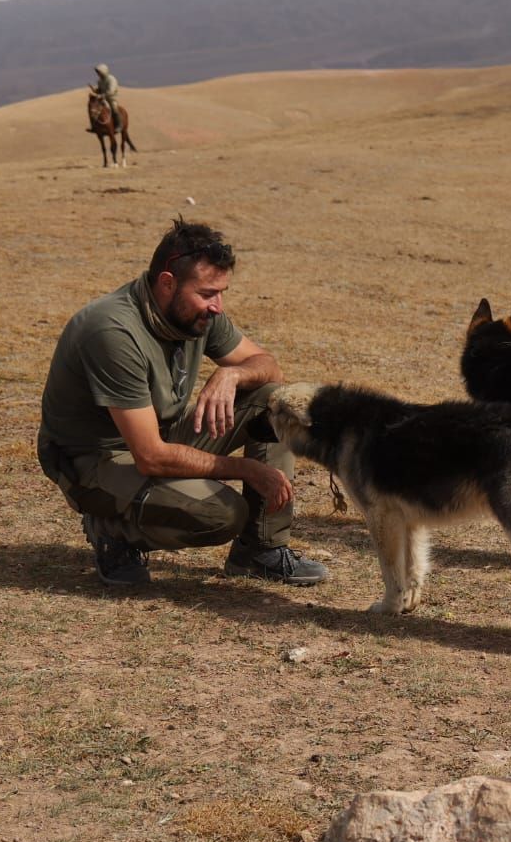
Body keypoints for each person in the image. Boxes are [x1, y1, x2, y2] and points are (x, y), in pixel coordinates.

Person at [36, 218, 329, 588]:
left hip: (156, 435)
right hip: (95, 461)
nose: (217, 306)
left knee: (278, 403)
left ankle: (261, 551)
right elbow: (151, 456)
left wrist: (231, 375)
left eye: (221, 292)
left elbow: (270, 369)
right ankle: (112, 528)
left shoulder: (196, 314)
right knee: (222, 514)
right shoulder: (113, 332)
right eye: (207, 293)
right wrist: (247, 470)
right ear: (167, 284)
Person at [87, 63, 120, 127]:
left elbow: (111, 91)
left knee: (114, 108)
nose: (98, 74)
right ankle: (93, 126)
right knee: (93, 109)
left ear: (103, 71)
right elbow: (99, 90)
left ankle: (118, 125)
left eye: (99, 72)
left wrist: (103, 95)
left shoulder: (111, 79)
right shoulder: (100, 81)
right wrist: (94, 90)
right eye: (97, 72)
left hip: (111, 98)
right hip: (102, 98)